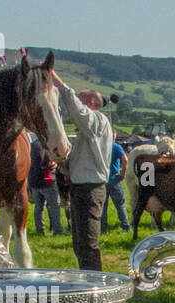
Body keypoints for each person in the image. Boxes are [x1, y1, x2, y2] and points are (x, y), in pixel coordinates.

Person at [50, 70, 113, 270]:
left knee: (87, 243)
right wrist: (62, 165)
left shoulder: (98, 121)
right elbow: (79, 164)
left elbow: (78, 112)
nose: (76, 101)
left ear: (91, 104)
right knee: (80, 243)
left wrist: (59, 83)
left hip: (90, 189)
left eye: (81, 98)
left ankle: (94, 285)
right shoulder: (89, 132)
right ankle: (88, 279)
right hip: (82, 188)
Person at [27, 137, 64, 236]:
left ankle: (40, 230)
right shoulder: (47, 145)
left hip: (34, 181)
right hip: (47, 181)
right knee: (54, 207)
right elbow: (49, 163)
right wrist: (56, 164)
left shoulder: (32, 145)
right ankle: (57, 230)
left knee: (39, 208)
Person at [101, 139, 129, 231]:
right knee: (120, 205)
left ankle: (103, 228)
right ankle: (125, 227)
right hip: (114, 180)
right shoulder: (116, 146)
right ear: (114, 136)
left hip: (101, 181)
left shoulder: (99, 146)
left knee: (102, 207)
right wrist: (122, 174)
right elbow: (125, 159)